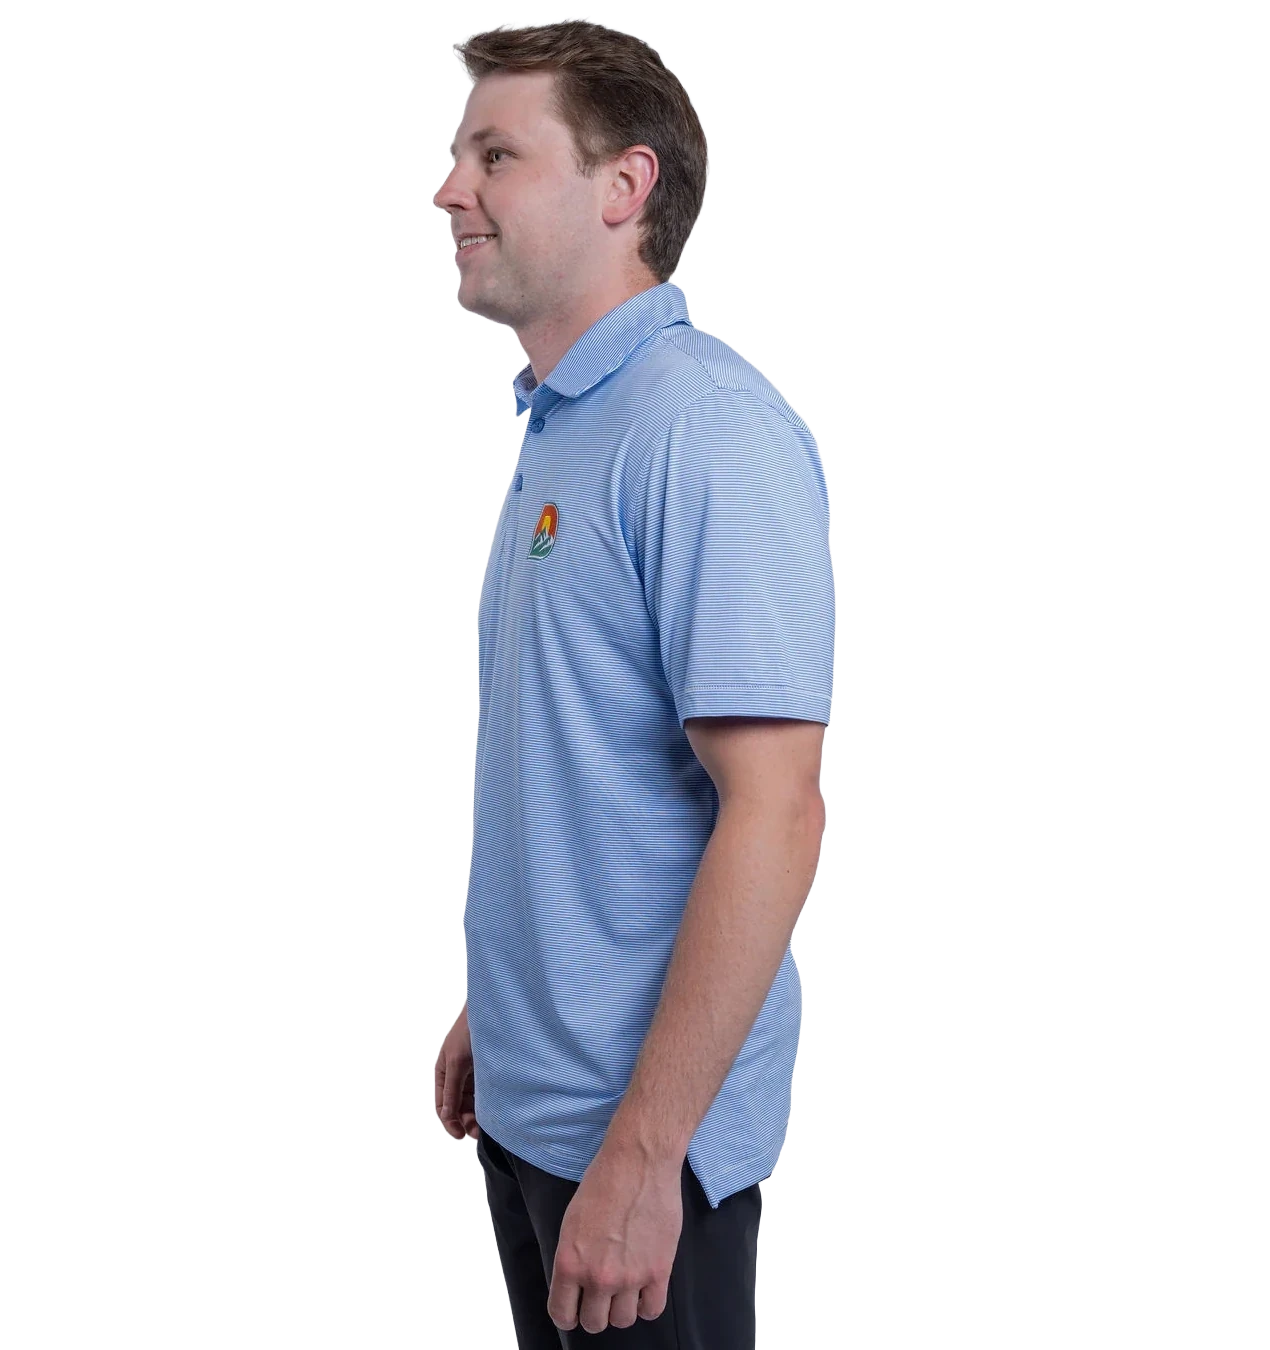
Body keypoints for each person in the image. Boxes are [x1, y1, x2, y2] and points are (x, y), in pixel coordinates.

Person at [432, 18, 833, 1347]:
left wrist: (647, 1155)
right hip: (541, 1113)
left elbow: (774, 810)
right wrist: (500, 1009)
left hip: (639, 1148)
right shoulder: (568, 424)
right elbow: (584, 763)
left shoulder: (701, 429)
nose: (451, 189)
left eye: (496, 154)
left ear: (624, 187)